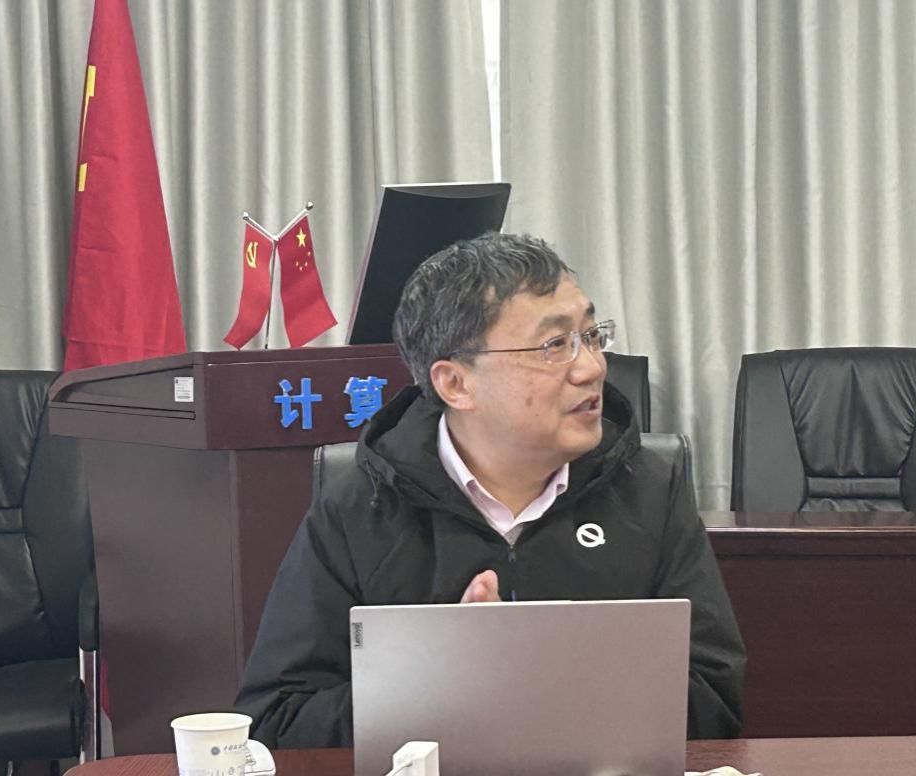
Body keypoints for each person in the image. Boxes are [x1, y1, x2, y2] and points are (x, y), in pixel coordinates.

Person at [234, 231, 745, 746]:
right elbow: (278, 721)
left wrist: (531, 678)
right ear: (456, 384)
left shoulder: (649, 489)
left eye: (591, 336)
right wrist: (446, 683)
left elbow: (715, 701)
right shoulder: (359, 507)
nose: (592, 367)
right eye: (555, 345)